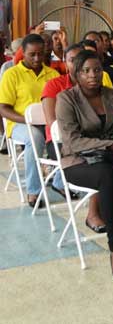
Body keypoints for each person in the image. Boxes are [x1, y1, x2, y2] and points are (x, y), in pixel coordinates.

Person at [54, 49, 113, 282]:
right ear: (76, 73)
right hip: (78, 162)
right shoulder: (67, 99)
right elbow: (72, 141)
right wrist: (110, 144)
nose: (92, 75)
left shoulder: (112, 95)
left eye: (97, 70)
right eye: (85, 71)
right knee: (109, 176)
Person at [41, 44, 111, 231]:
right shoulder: (55, 85)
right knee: (100, 162)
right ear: (65, 62)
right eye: (73, 60)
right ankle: (95, 214)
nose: (79, 65)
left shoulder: (101, 88)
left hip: (98, 140)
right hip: (61, 142)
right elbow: (53, 123)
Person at [0, 34, 60, 207]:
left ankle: (59, 182)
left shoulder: (52, 74)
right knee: (35, 137)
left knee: (67, 132)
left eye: (40, 54)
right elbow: (3, 108)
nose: (36, 58)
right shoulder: (12, 74)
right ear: (22, 53)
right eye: (32, 54)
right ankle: (34, 191)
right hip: (20, 123)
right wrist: (28, 120)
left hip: (48, 122)